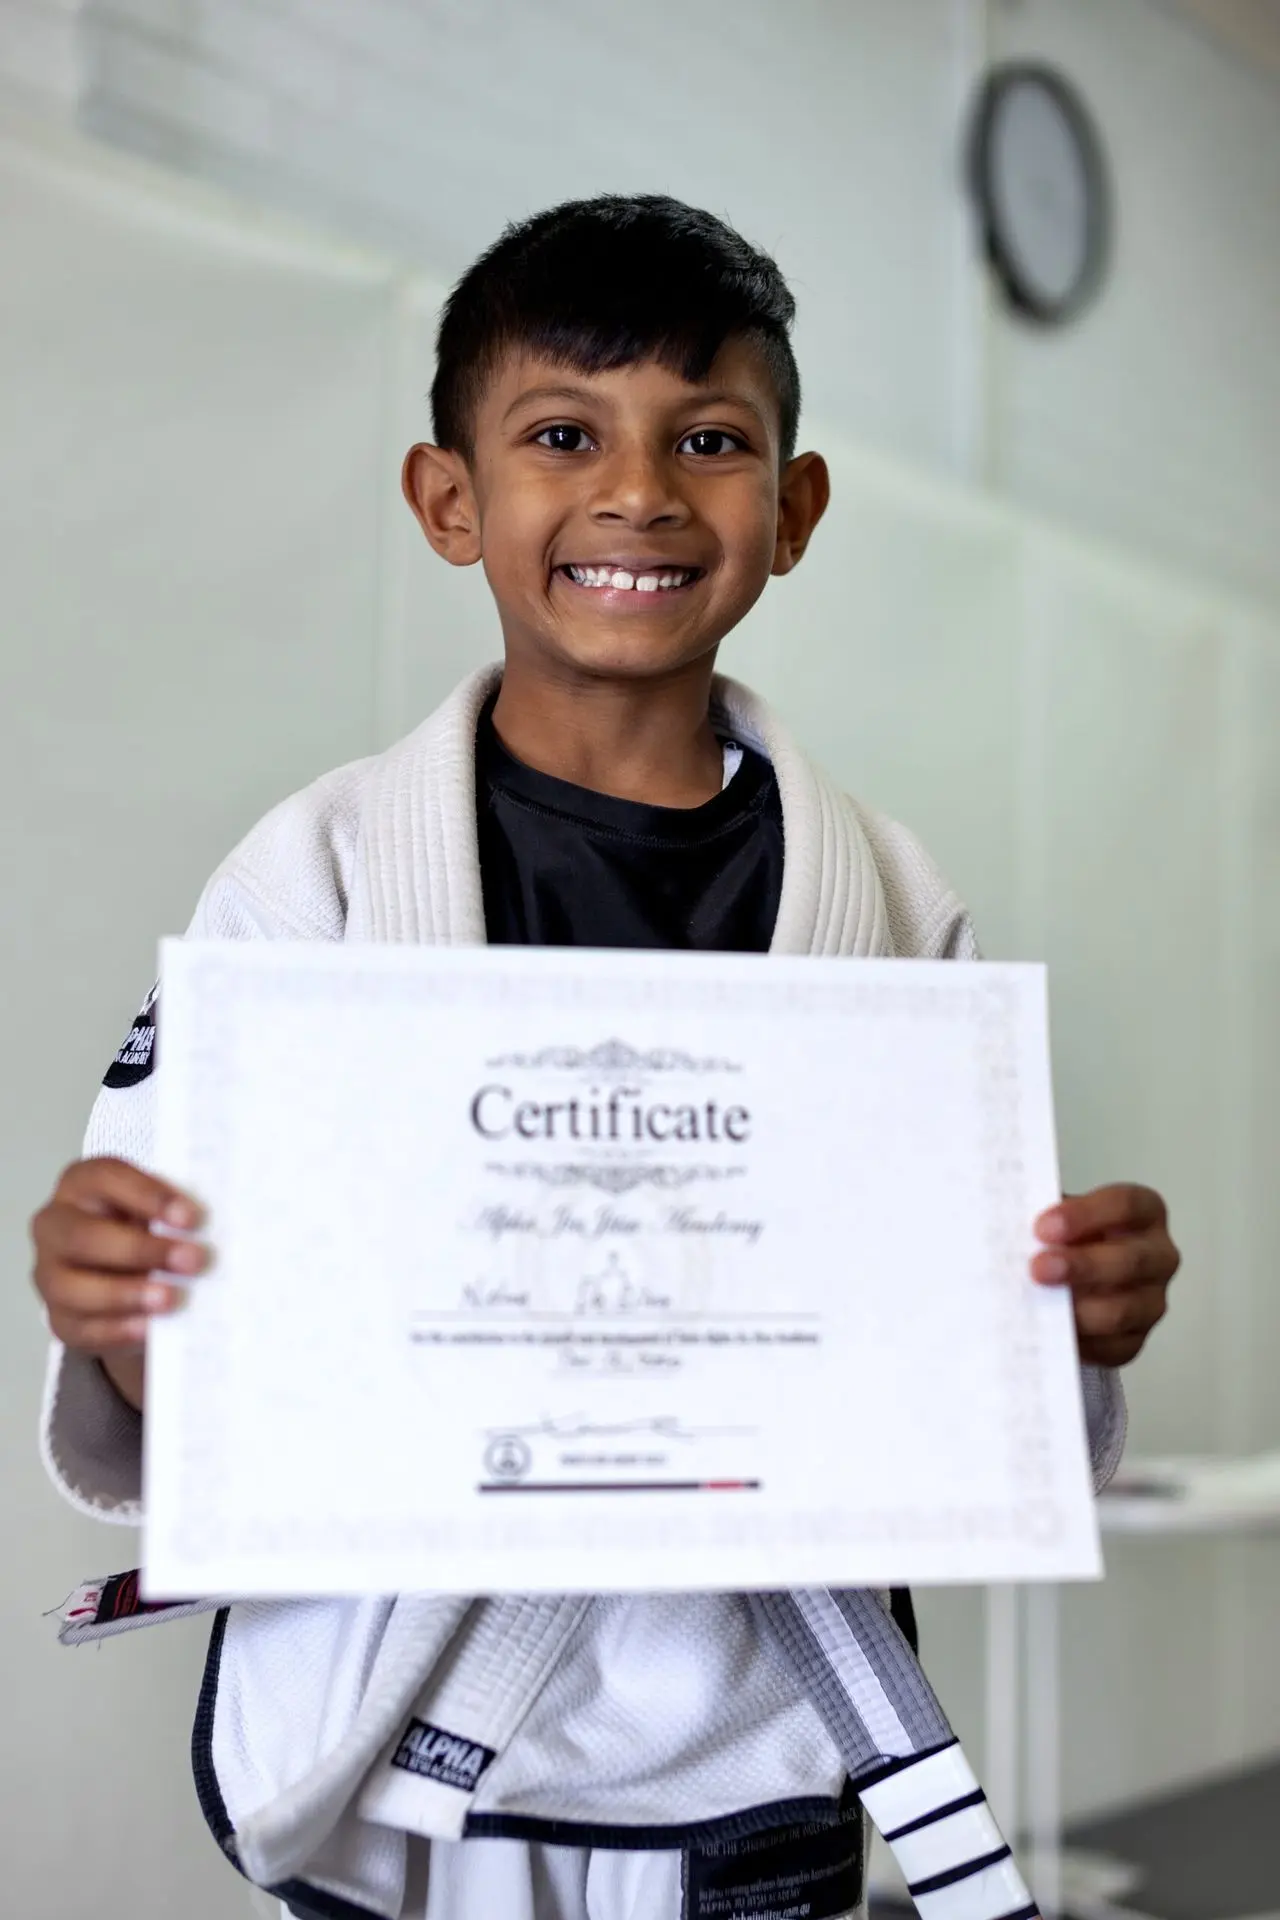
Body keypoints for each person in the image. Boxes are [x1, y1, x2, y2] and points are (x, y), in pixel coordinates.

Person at [30, 195, 1179, 1920]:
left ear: (790, 512)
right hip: (399, 1758)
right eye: (562, 435)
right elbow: (188, 1359)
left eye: (709, 441)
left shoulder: (891, 895)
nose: (638, 491)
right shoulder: (317, 874)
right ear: (450, 502)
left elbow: (941, 1366)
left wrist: (1066, 1326)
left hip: (755, 1749)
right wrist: (116, 1315)